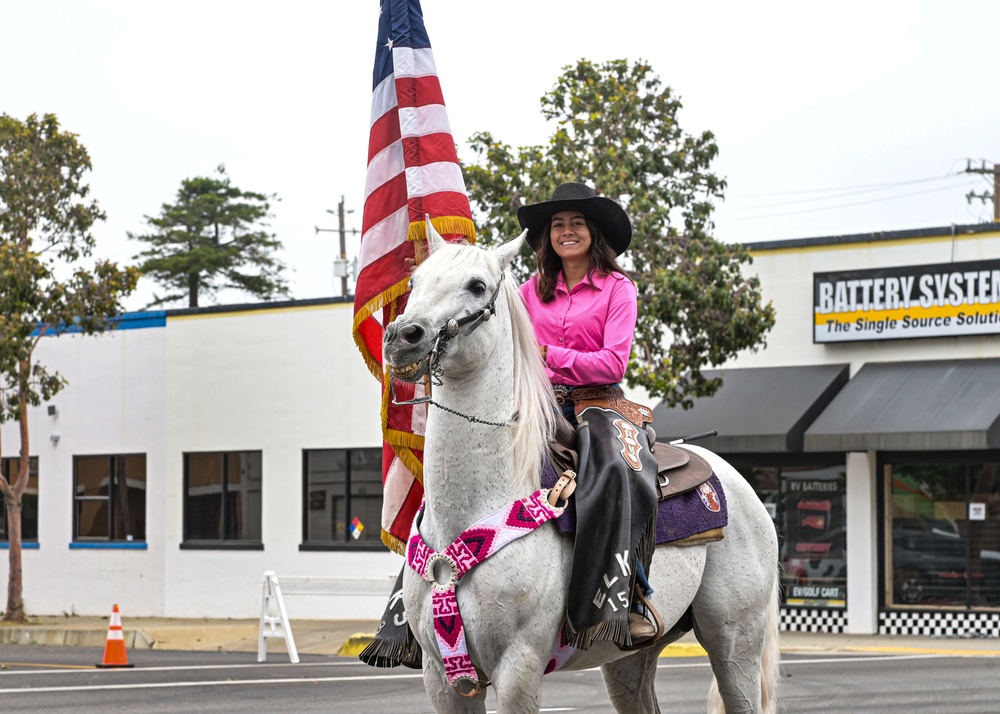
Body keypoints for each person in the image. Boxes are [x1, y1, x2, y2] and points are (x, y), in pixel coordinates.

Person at [517, 182, 657, 645]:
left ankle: (628, 595)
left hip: (598, 401)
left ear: (593, 233)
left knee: (617, 471)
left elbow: (613, 362)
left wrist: (546, 352)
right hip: (534, 401)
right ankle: (426, 602)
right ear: (547, 237)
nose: (567, 231)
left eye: (576, 222)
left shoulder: (619, 289)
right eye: (558, 224)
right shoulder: (526, 293)